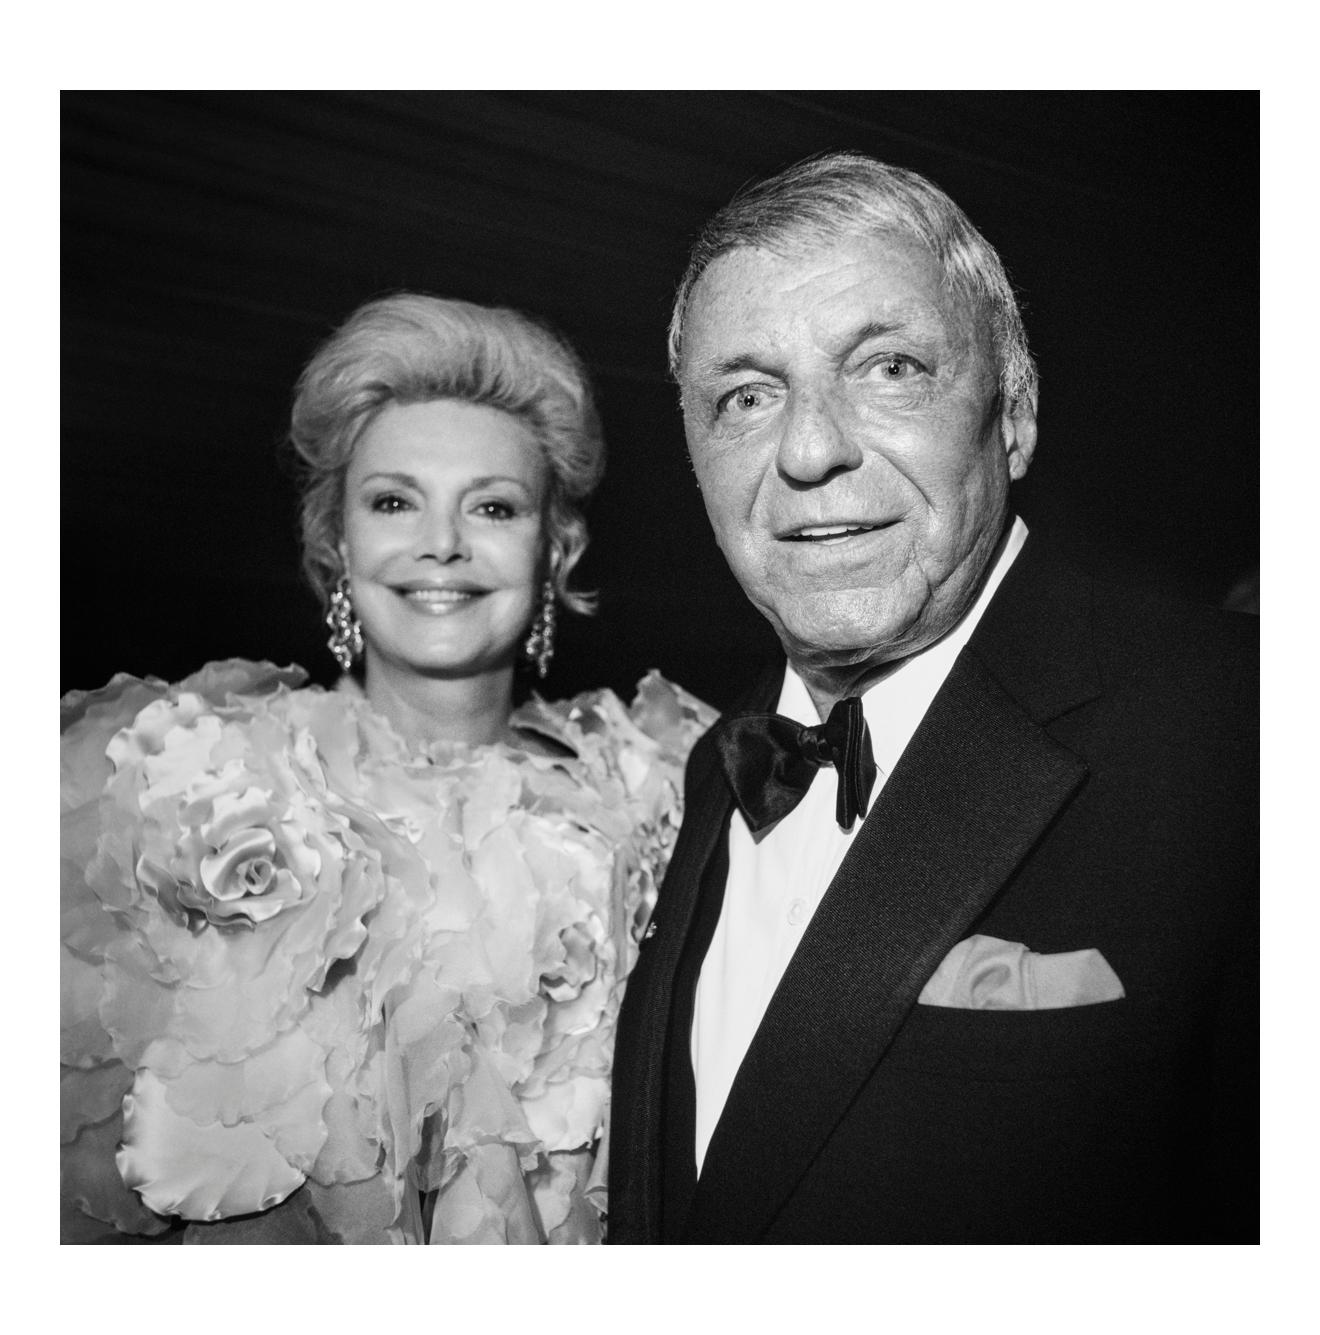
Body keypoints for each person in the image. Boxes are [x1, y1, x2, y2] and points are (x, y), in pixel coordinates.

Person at [607, 152, 1257, 1243]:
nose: (809, 449)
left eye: (890, 367)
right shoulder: (722, 759)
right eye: (747, 395)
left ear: (1013, 414)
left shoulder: (1249, 731)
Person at [60, 293, 714, 1244]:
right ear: (338, 540)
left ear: (554, 546)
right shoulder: (193, 785)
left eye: (492, 505)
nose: (440, 543)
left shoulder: (650, 789)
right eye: (394, 501)